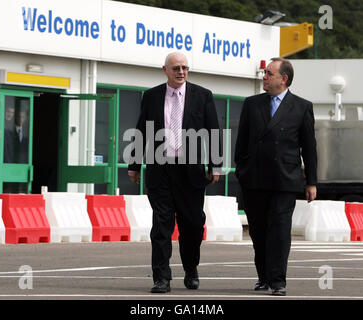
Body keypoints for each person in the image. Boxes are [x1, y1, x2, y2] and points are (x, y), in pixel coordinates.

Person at [128, 51, 222, 293]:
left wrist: (216, 165)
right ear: (165, 70)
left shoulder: (202, 96)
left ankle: (191, 269)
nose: (181, 72)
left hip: (190, 173)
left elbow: (213, 132)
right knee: (161, 227)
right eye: (176, 68)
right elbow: (141, 131)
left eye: (184, 68)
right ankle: (161, 278)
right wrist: (134, 164)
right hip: (161, 172)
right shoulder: (151, 96)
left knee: (192, 226)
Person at [234, 57, 317, 296]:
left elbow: (309, 148)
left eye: (269, 73)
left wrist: (311, 181)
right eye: (264, 73)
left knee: (280, 232)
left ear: (284, 79)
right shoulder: (252, 104)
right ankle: (263, 276)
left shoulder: (302, 107)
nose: (264, 77)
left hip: (285, 180)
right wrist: (242, 171)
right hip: (255, 180)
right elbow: (242, 144)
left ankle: (278, 280)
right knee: (258, 231)